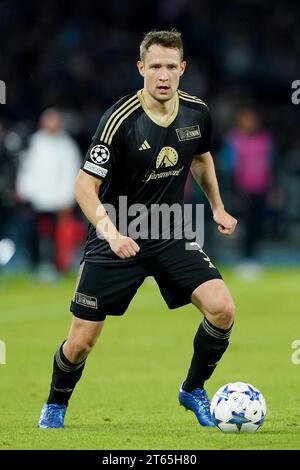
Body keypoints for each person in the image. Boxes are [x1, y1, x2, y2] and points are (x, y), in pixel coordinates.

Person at [38, 29, 237, 429]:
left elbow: (201, 158)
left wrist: (217, 206)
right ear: (141, 68)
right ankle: (55, 405)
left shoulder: (197, 112)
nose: (163, 75)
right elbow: (83, 185)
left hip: (168, 230)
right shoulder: (119, 120)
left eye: (170, 67)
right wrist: (110, 232)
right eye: (155, 67)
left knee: (222, 309)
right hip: (116, 234)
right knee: (80, 343)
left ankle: (193, 389)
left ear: (182, 69)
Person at [16, 108, 81, 277]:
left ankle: (55, 266)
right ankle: (36, 264)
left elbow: (72, 173)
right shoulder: (34, 143)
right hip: (36, 199)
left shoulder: (67, 146)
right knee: (33, 233)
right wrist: (23, 190)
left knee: (55, 236)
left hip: (58, 200)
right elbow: (27, 169)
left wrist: (68, 198)